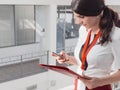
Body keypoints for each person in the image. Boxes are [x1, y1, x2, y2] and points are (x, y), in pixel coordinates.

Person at [52, 0, 120, 90]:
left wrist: (100, 81)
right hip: (79, 86)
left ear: (96, 13)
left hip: (99, 87)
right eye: (75, 17)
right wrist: (68, 59)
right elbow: (86, 63)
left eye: (81, 17)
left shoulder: (116, 35)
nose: (78, 22)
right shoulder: (83, 30)